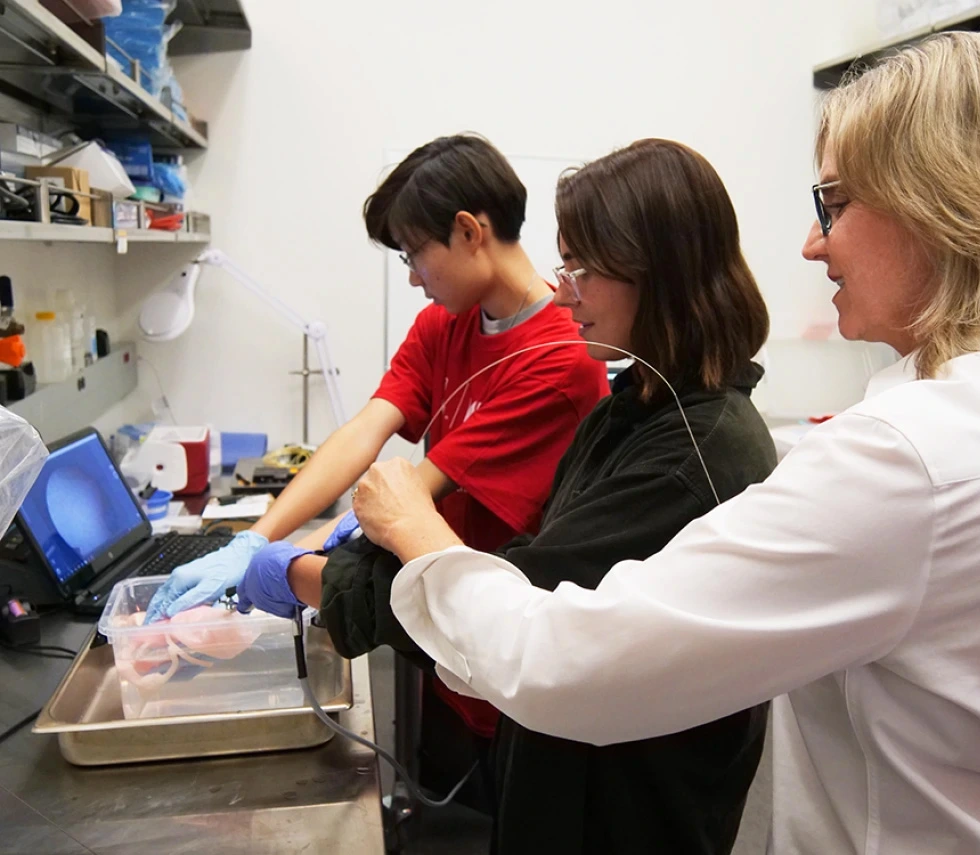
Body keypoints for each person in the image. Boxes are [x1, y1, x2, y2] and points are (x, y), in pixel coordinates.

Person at [354, 33, 980, 855]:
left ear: (941, 199)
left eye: (833, 203)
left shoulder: (909, 458)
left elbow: (561, 664)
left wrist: (414, 531)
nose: (812, 242)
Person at [241, 138, 778, 854]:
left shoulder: (692, 452)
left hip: (624, 812)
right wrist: (264, 541)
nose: (563, 293)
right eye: (566, 267)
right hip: (554, 764)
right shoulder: (634, 408)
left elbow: (519, 600)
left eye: (583, 270)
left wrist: (299, 574)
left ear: (663, 276)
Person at [146, 133, 610, 772]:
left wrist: (292, 561)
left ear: (470, 231)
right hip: (432, 629)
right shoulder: (445, 323)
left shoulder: (560, 361)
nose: (415, 277)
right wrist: (253, 540)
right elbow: (367, 428)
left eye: (416, 254)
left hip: (503, 641)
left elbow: (411, 491)